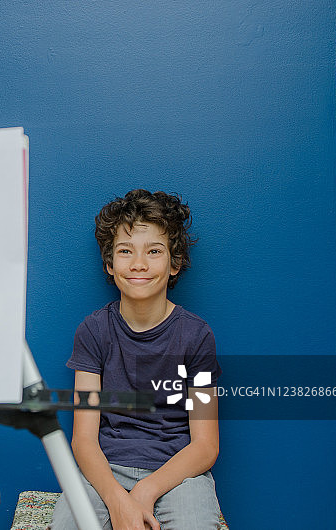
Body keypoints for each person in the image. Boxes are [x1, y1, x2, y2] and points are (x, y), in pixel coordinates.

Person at [50, 190, 221, 530]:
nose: (139, 263)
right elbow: (84, 438)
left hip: (179, 473)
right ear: (110, 265)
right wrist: (117, 500)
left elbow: (205, 444)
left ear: (174, 264)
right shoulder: (93, 331)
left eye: (154, 251)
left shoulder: (197, 336)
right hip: (105, 469)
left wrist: (146, 491)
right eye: (125, 251)